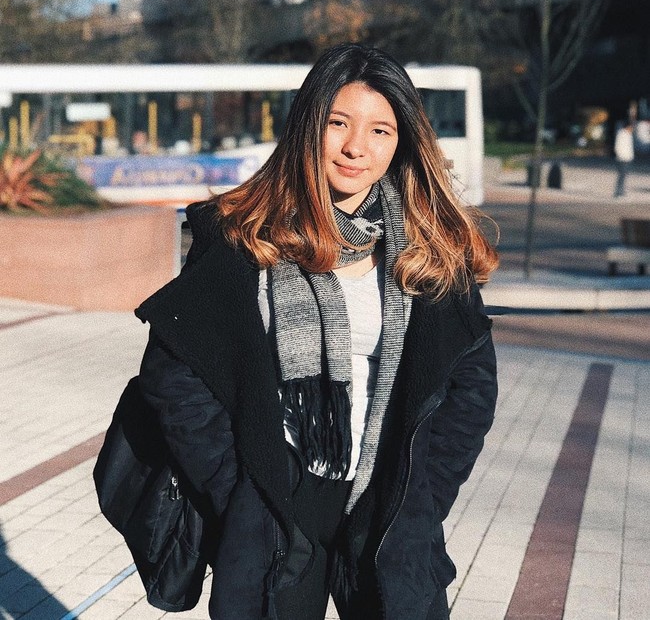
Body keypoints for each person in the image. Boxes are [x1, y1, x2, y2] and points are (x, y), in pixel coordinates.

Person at [135, 44, 499, 620]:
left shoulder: (432, 247)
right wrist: (238, 490)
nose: (356, 147)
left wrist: (425, 493)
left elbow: (471, 388)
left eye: (380, 130)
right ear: (309, 126)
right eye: (338, 123)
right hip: (276, 507)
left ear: (402, 142)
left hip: (387, 505)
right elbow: (174, 376)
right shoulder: (243, 234)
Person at [614, 121, 634, 197]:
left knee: (624, 176)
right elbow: (617, 146)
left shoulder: (628, 135)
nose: (632, 129)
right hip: (622, 158)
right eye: (631, 127)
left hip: (628, 158)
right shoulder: (622, 134)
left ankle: (621, 191)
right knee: (621, 176)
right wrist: (621, 155)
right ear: (627, 127)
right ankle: (618, 192)